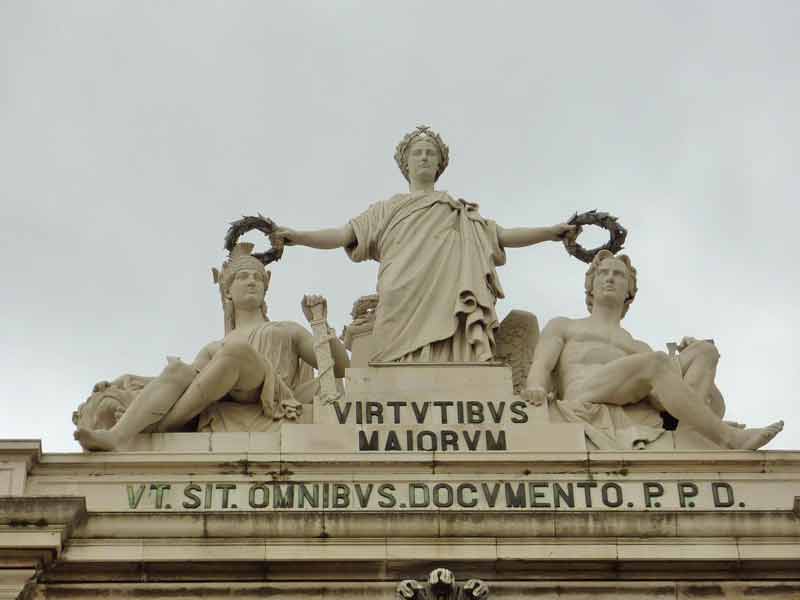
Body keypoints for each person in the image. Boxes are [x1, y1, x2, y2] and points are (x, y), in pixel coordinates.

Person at [270, 125, 578, 363]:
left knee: (450, 350)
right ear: (405, 163)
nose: (424, 157)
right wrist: (296, 236)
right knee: (393, 357)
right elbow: (341, 236)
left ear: (440, 163)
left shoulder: (458, 211)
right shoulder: (385, 209)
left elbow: (502, 236)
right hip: (400, 290)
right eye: (417, 152)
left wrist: (551, 232)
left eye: (430, 152)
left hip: (448, 288)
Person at [74, 243, 350, 451]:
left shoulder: (286, 329)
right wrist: (130, 381)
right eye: (243, 277)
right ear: (228, 290)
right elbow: (189, 384)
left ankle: (163, 425)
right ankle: (116, 436)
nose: (251, 281)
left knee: (236, 352)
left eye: (256, 278)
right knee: (178, 369)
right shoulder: (214, 347)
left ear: (266, 288)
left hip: (272, 394)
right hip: (229, 391)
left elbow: (340, 368)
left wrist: (320, 323)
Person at [523, 250, 783, 450]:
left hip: (630, 393)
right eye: (604, 273)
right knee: (656, 362)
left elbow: (670, 402)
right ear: (590, 286)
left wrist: (690, 359)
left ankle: (689, 436)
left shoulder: (639, 348)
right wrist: (535, 385)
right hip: (582, 395)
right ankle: (728, 439)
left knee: (705, 351)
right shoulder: (565, 326)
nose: (611, 278)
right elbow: (542, 365)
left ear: (630, 292)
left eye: (619, 274)